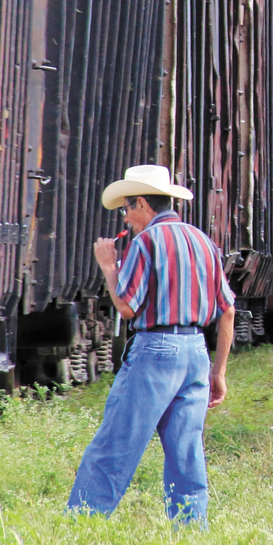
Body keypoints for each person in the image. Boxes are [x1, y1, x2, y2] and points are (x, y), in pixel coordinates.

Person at [66, 164, 235, 525]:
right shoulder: (203, 241)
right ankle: (191, 533)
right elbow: (228, 311)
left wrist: (108, 266)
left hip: (156, 350)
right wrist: (218, 372)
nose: (126, 219)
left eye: (126, 208)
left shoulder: (146, 242)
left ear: (142, 203)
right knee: (186, 454)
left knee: (116, 443)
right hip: (196, 353)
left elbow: (127, 307)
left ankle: (83, 523)